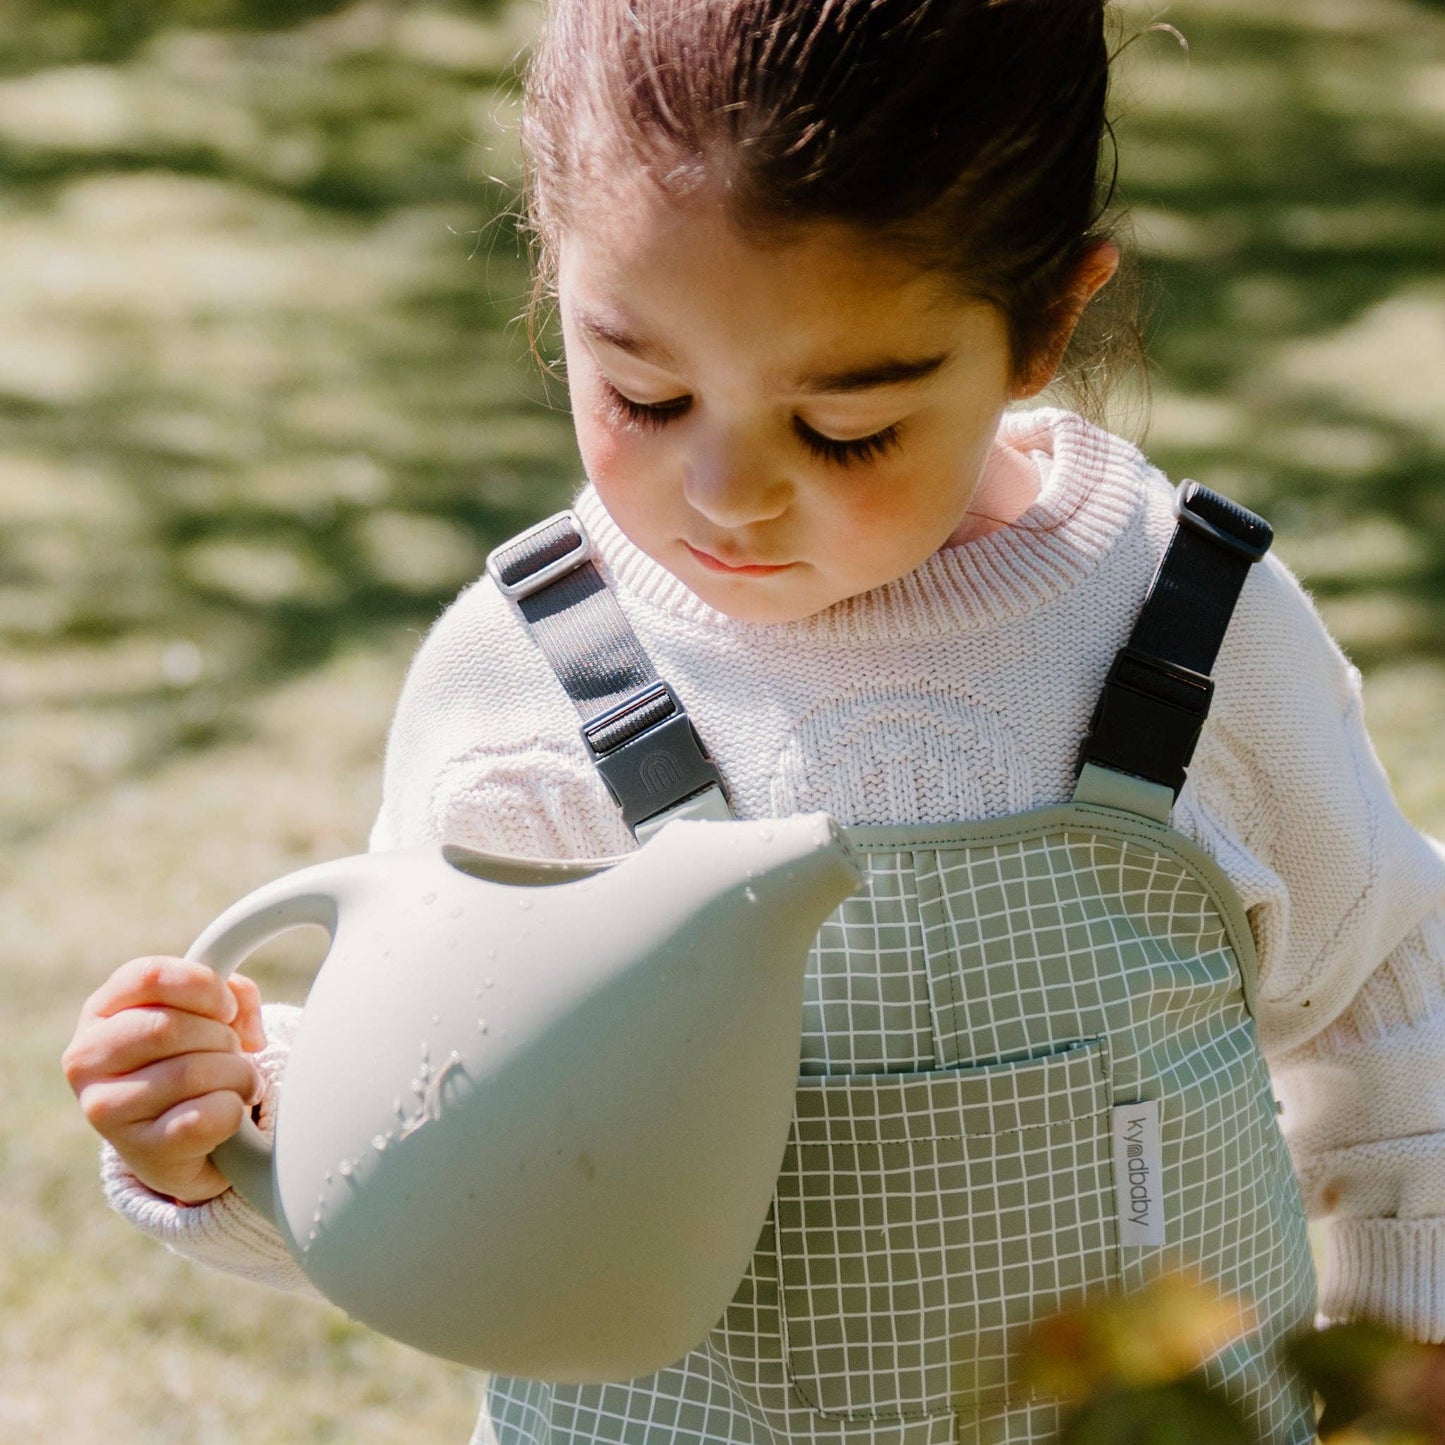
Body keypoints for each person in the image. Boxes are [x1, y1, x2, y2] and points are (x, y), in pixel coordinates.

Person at [63, 1, 1445, 1442]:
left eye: (847, 428)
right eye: (645, 393)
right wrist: (227, 1124)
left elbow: (1388, 1013)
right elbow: (446, 1156)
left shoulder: (1190, 635)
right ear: (554, 263)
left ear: (1044, 320)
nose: (729, 494)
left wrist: (1407, 1362)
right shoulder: (527, 680)